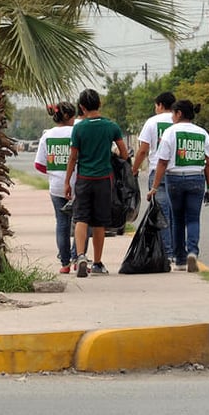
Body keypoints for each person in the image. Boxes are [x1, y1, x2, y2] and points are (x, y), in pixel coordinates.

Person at [64, 89, 128, 278]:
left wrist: (67, 182)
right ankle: (98, 263)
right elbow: (124, 154)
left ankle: (81, 256)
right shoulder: (111, 126)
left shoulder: (79, 128)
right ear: (99, 104)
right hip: (103, 180)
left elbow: (73, 157)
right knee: (100, 221)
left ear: (82, 107)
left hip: (84, 179)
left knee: (81, 218)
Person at [148, 100, 209, 272]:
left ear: (178, 113)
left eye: (173, 114)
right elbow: (208, 163)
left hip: (175, 179)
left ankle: (180, 259)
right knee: (193, 218)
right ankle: (193, 252)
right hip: (196, 179)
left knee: (177, 219)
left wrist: (154, 187)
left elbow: (162, 162)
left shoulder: (170, 132)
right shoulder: (202, 133)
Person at [131, 91, 176, 261]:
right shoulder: (178, 120)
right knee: (175, 213)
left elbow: (143, 150)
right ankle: (179, 251)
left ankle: (168, 252)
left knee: (161, 212)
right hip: (176, 171)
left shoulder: (152, 122)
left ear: (160, 105)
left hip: (157, 171)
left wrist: (134, 169)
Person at [34, 101, 78, 274]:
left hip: (57, 186)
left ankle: (65, 263)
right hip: (77, 183)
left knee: (62, 223)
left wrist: (54, 172)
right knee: (81, 222)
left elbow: (39, 164)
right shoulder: (76, 132)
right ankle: (78, 258)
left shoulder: (47, 135)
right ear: (68, 116)